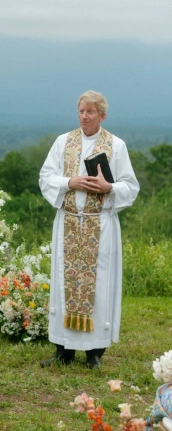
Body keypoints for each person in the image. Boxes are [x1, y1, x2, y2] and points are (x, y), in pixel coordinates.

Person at [39, 91, 139, 369]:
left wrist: (109, 188)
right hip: (69, 221)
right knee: (64, 284)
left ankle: (94, 352)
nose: (84, 116)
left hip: (100, 225)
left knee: (99, 286)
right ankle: (63, 349)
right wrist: (70, 182)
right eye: (81, 111)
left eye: (91, 112)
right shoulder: (63, 142)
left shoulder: (115, 145)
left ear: (102, 116)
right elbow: (46, 177)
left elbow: (130, 186)